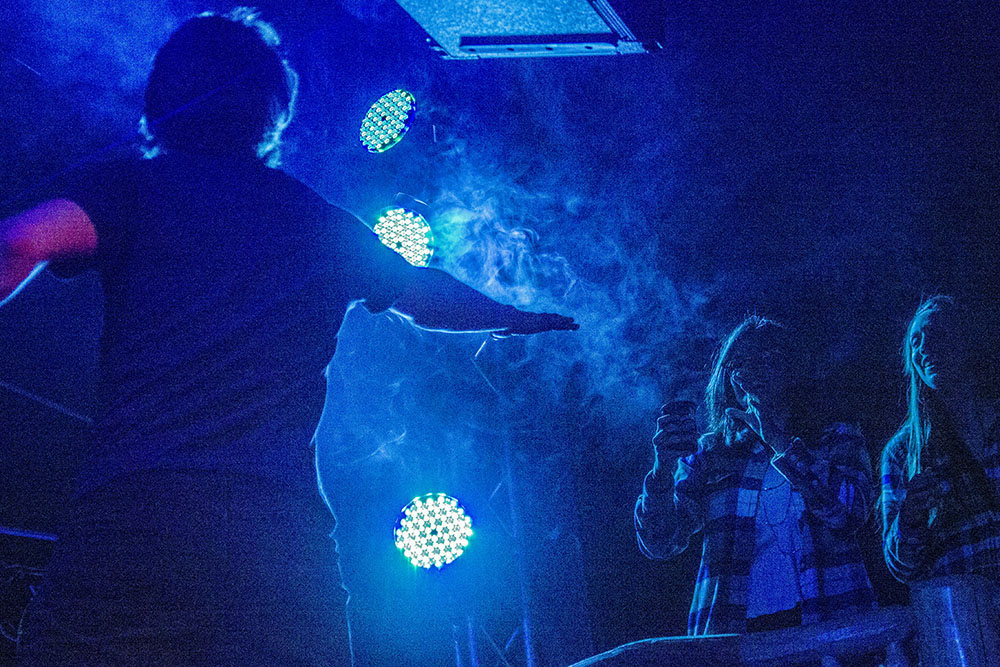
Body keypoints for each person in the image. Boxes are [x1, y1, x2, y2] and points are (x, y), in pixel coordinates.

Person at [0, 9, 576, 665]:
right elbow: (426, 296)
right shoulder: (314, 219)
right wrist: (515, 313)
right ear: (274, 113)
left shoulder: (130, 187)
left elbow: (20, 240)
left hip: (135, 519)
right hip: (274, 543)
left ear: (162, 99)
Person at [634, 316, 876, 635]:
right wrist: (662, 469)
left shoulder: (836, 439)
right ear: (729, 379)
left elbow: (850, 513)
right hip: (736, 634)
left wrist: (776, 438)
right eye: (740, 363)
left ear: (791, 370)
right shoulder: (709, 454)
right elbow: (661, 542)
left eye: (766, 358)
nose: (751, 371)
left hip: (831, 623)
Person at [881, 295, 1000, 583]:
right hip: (962, 615)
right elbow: (902, 570)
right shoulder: (903, 452)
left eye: (935, 334)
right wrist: (909, 518)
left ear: (966, 340)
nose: (924, 348)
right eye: (915, 342)